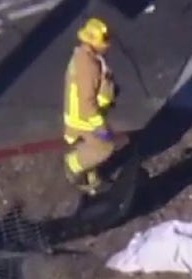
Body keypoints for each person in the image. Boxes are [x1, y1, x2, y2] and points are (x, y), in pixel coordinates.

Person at [63, 17, 118, 195]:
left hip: (87, 115)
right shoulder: (88, 65)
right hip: (85, 119)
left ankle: (92, 179)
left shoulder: (87, 57)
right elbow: (87, 102)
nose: (107, 45)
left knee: (92, 147)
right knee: (104, 147)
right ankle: (73, 165)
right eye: (104, 41)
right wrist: (100, 126)